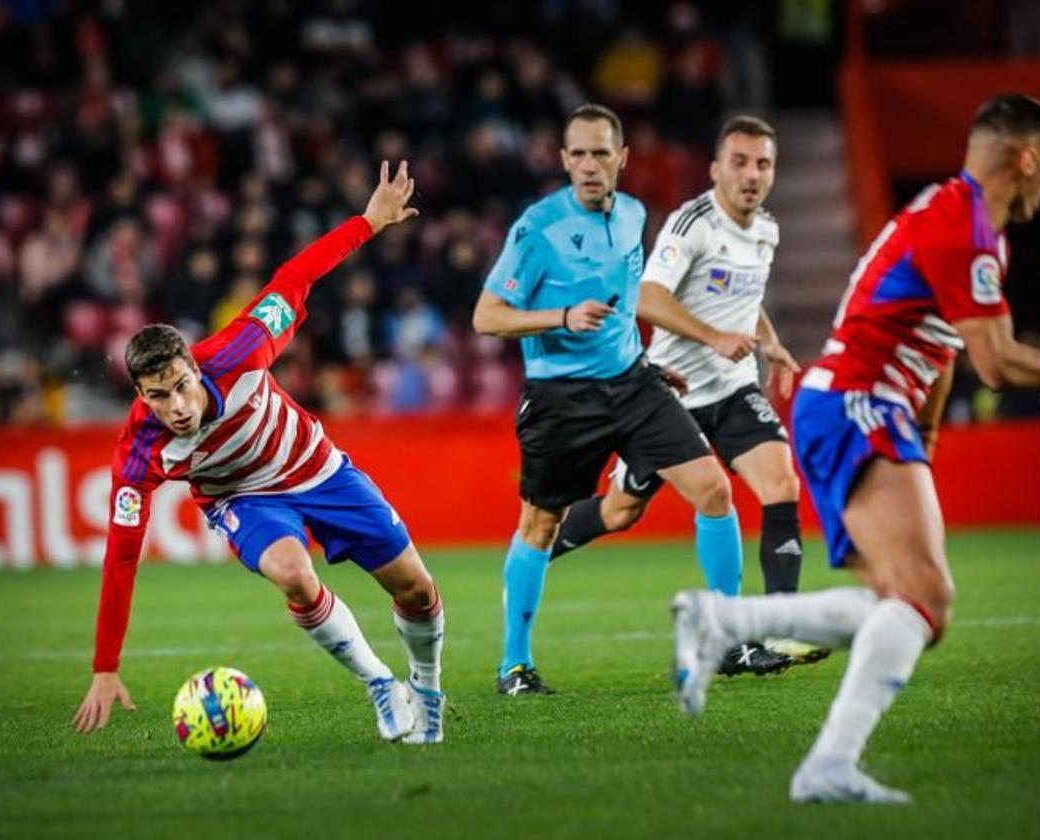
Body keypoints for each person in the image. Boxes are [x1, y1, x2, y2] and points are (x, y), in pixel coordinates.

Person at [671, 93, 1040, 803]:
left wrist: (922, 439)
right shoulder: (965, 226)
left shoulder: (964, 219)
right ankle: (819, 755)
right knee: (927, 599)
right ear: (1023, 156)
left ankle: (734, 629)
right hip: (856, 403)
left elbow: (948, 343)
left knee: (904, 603)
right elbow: (998, 363)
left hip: (858, 407)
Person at [72, 162, 448, 745]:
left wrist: (368, 223)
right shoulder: (139, 452)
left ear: (195, 366)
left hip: (319, 469)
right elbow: (121, 557)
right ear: (140, 395)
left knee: (416, 590)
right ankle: (378, 682)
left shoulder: (243, 345)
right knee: (293, 575)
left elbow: (294, 278)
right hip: (244, 499)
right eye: (156, 396)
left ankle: (425, 689)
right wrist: (104, 666)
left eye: (179, 385)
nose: (175, 406)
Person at [472, 104, 745, 695]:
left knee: (715, 490)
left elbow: (624, 306)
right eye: (579, 154)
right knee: (540, 524)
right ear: (564, 159)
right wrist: (562, 316)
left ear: (622, 159)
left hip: (632, 383)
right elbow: (486, 316)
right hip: (561, 397)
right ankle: (513, 665)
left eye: (601, 153)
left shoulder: (634, 216)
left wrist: (647, 362)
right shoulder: (536, 228)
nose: (589, 165)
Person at [549, 115, 827, 675]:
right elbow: (647, 299)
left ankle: (770, 629)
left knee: (780, 483)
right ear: (717, 170)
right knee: (619, 510)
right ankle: (534, 546)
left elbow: (748, 297)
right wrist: (714, 337)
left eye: (763, 164)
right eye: (741, 163)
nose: (752, 175)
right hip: (670, 394)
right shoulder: (692, 223)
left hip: (733, 388)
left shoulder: (766, 229)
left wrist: (767, 344)